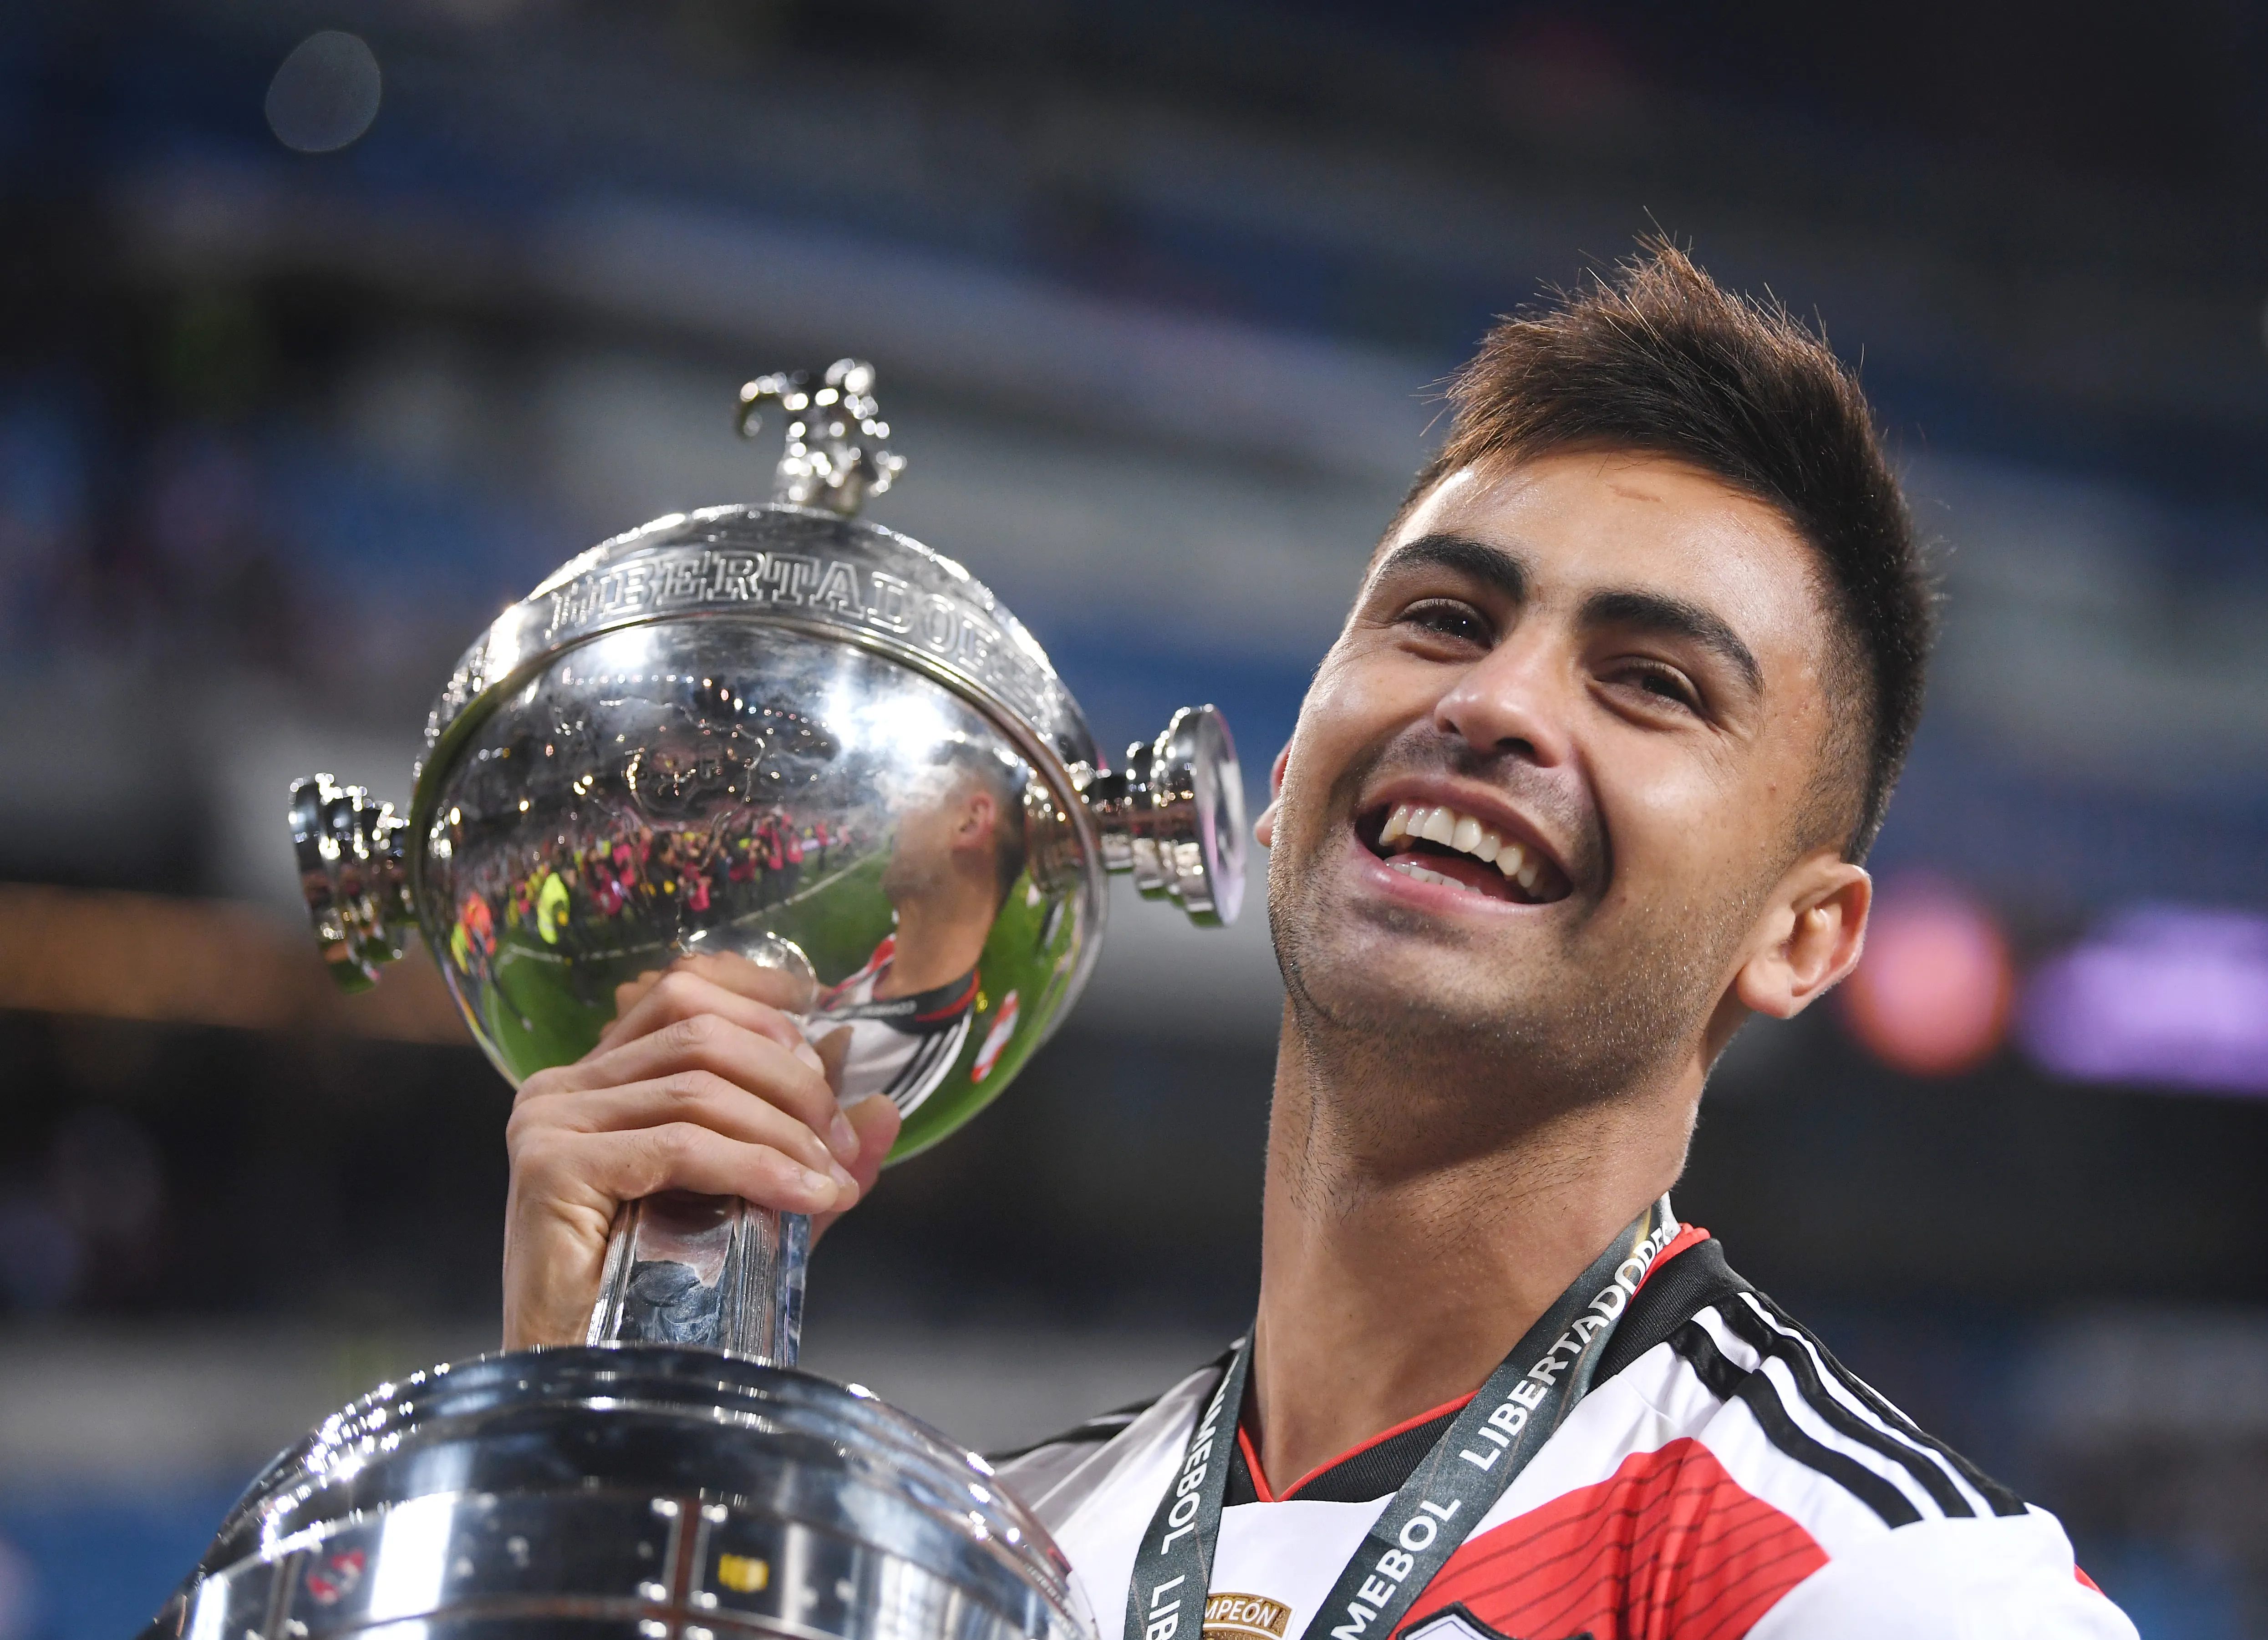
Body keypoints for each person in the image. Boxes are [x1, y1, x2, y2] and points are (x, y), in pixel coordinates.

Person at [497, 243, 2135, 1637]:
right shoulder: (998, 1555)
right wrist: (583, 1434)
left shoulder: (1878, 1581)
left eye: (1648, 680)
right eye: (1440, 618)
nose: (1488, 702)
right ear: (1285, 783)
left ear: (1798, 936)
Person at [809, 739, 1028, 1116]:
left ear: (970, 822)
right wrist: (805, 996)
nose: (896, 807)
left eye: (916, 793)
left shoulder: (881, 1068)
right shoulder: (895, 960)